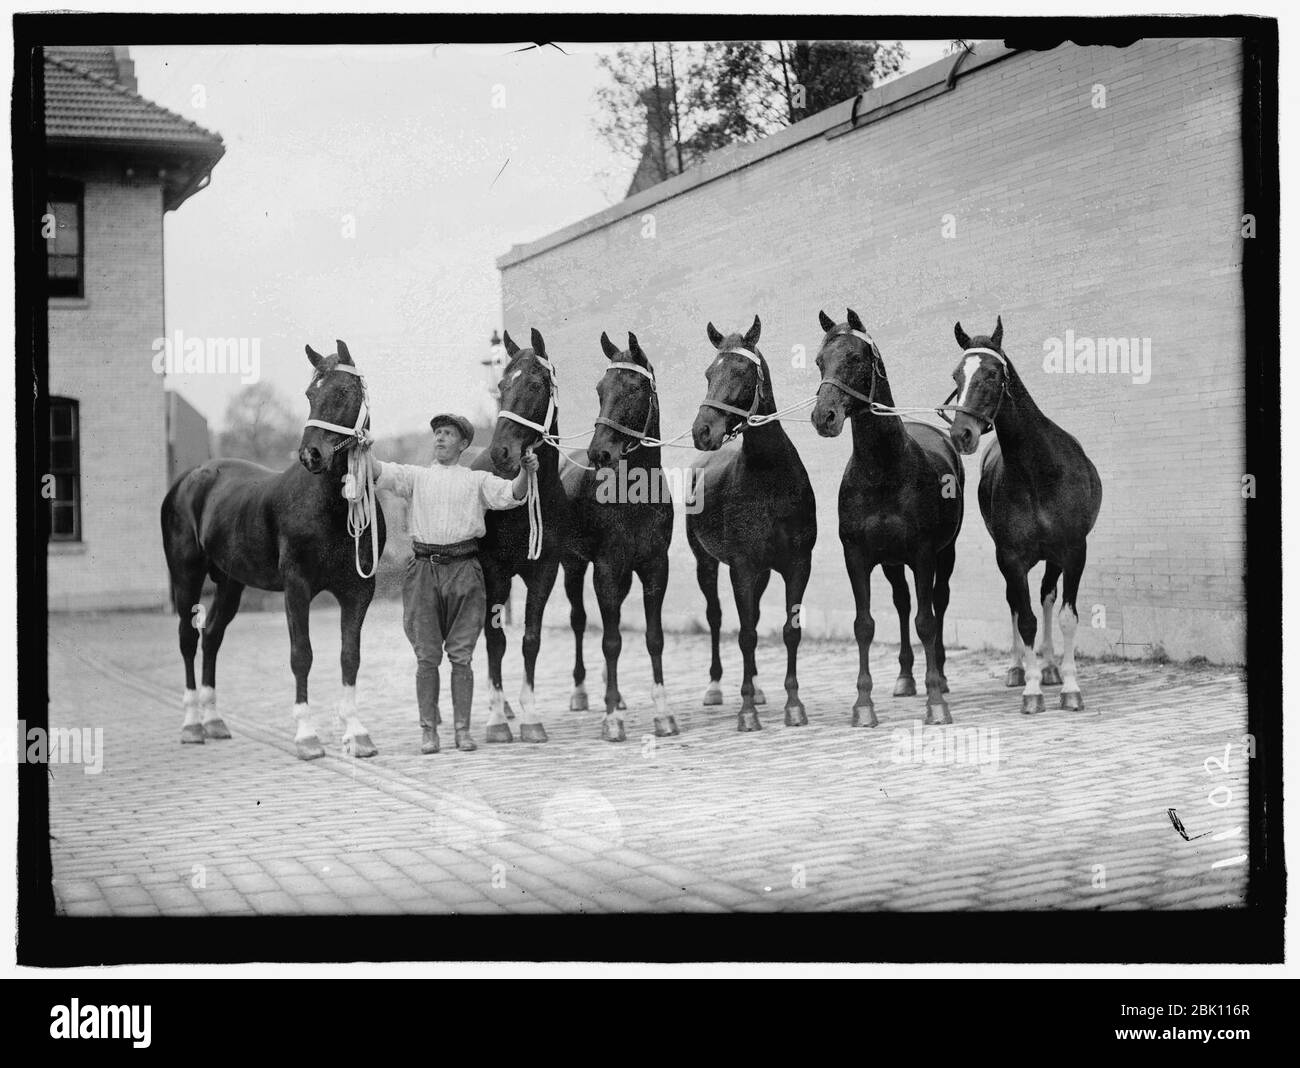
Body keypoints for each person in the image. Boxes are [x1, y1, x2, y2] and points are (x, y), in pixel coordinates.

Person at [369, 413, 535, 754]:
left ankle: (462, 731)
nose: (440, 439)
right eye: (437, 433)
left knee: (462, 656)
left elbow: (512, 494)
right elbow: (380, 473)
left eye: (448, 434)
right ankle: (429, 732)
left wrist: (527, 471)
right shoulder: (416, 477)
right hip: (424, 571)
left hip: (465, 571)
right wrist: (364, 450)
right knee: (427, 657)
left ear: (463, 444)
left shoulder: (476, 481)